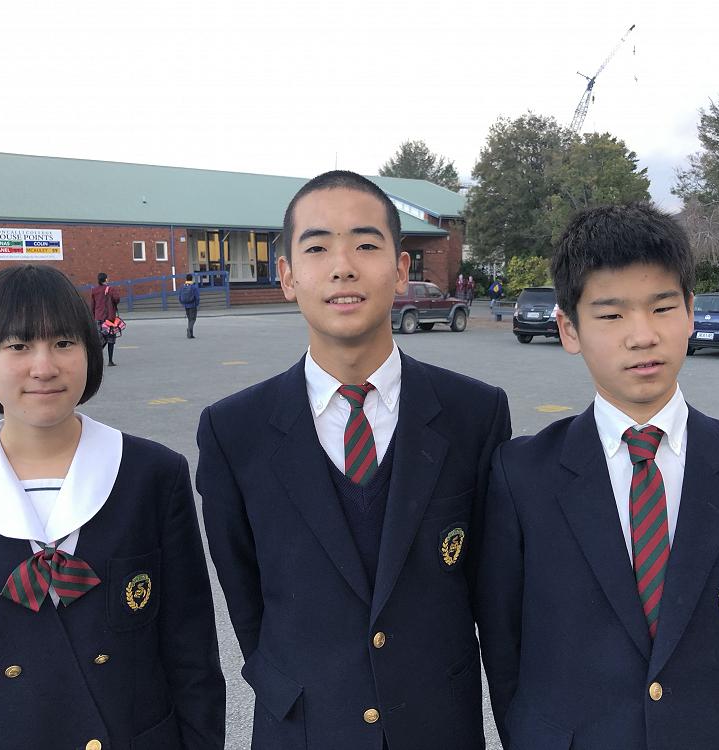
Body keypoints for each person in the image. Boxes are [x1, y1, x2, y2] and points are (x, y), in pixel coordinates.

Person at [477, 203, 719, 749]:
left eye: (662, 308)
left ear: (690, 313)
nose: (642, 336)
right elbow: (502, 638)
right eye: (611, 316)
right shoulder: (521, 475)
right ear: (569, 329)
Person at [196, 171, 510, 750]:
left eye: (366, 245)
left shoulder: (475, 415)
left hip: (437, 725)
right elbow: (245, 591)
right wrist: (284, 681)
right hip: (303, 726)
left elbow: (491, 593)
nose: (342, 267)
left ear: (401, 269)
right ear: (287, 276)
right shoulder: (233, 431)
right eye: (317, 248)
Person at [0, 264, 226, 749]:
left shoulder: (153, 476)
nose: (44, 367)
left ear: (90, 350)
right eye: (18, 346)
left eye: (64, 343)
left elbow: (191, 648)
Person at [91, 272, 121, 366]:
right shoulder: (111, 289)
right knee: (110, 339)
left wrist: (93, 317)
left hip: (98, 317)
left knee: (101, 339)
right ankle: (110, 361)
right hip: (109, 318)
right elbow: (117, 299)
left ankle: (95, 359)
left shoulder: (94, 290)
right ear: (106, 279)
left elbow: (92, 306)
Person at [178, 273, 200, 338]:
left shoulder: (182, 286)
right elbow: (197, 297)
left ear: (186, 279)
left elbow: (180, 296)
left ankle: (191, 334)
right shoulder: (194, 287)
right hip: (193, 305)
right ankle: (189, 330)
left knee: (189, 319)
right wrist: (196, 304)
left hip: (186, 305)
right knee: (193, 319)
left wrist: (183, 303)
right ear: (192, 279)